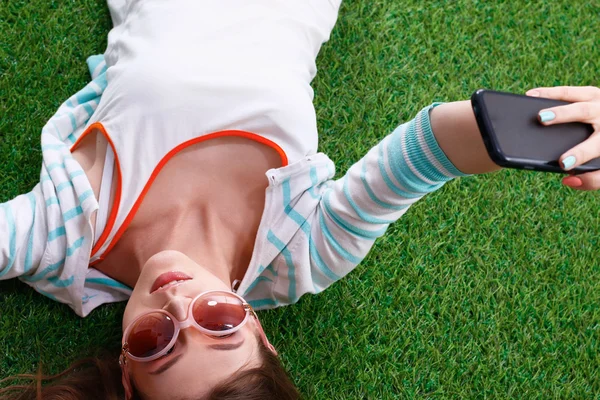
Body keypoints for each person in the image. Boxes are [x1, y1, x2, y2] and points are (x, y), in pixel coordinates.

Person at [1, 0, 600, 398]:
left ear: (127, 375)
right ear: (261, 332)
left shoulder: (65, 239)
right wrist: (552, 133)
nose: (177, 302)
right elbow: (425, 154)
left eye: (157, 342)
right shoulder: (302, 256)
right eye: (219, 323)